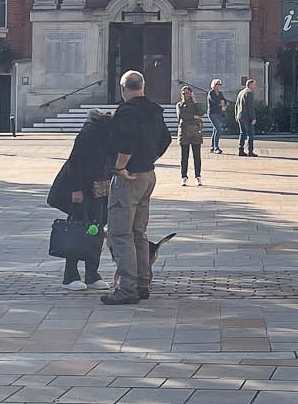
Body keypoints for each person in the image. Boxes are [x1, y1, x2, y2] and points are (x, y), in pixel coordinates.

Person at [101, 70, 172, 306]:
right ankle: (143, 283)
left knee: (120, 234)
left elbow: (127, 142)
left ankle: (126, 288)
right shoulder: (154, 110)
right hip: (148, 175)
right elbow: (166, 139)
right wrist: (149, 158)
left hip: (129, 177)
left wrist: (121, 166)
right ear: (143, 86)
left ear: (123, 89)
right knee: (139, 233)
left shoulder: (127, 111)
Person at [46, 108, 114, 287]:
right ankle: (71, 275)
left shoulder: (109, 134)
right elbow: (75, 162)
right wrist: (76, 189)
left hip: (100, 189)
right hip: (81, 190)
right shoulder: (89, 133)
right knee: (77, 229)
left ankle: (92, 274)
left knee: (96, 230)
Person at [177, 83, 205, 185]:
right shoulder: (180, 105)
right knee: (184, 157)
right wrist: (193, 117)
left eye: (187, 93)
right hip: (184, 132)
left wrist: (194, 101)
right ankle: (184, 176)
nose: (185, 95)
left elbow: (201, 113)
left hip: (195, 132)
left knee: (197, 156)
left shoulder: (195, 105)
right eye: (183, 93)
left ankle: (198, 176)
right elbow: (181, 116)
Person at [235, 77, 258, 157]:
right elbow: (250, 107)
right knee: (250, 134)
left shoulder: (241, 92)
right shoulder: (249, 93)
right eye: (254, 84)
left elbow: (236, 105)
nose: (255, 86)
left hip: (240, 116)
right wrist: (254, 118)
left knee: (242, 133)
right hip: (247, 117)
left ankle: (240, 150)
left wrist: (236, 115)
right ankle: (250, 151)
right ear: (250, 85)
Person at [207, 79, 227, 154]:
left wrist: (224, 103)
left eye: (220, 85)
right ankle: (216, 147)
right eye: (217, 84)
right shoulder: (211, 93)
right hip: (212, 113)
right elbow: (214, 100)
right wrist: (221, 103)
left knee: (215, 130)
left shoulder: (220, 93)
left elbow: (224, 100)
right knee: (218, 129)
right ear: (214, 85)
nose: (218, 86)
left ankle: (212, 147)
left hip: (219, 113)